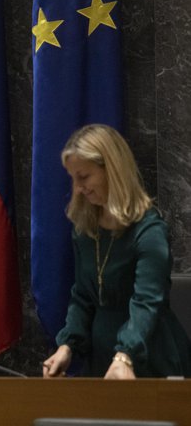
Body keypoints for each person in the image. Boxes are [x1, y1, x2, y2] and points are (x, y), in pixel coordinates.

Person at [43, 124, 191, 379]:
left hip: (149, 355)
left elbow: (147, 302)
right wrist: (68, 344)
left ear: (111, 170)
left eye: (84, 176)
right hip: (103, 356)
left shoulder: (149, 231)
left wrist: (126, 354)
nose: (78, 188)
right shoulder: (85, 230)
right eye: (73, 178)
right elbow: (83, 297)